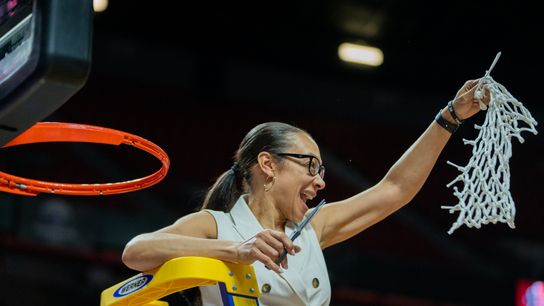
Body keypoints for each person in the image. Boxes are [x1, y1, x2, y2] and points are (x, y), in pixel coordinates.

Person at [122, 79, 490, 306]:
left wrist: (449, 117)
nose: (320, 181)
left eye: (322, 169)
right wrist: (235, 251)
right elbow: (136, 251)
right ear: (268, 164)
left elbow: (395, 189)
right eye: (309, 165)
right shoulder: (216, 225)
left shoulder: (315, 228)